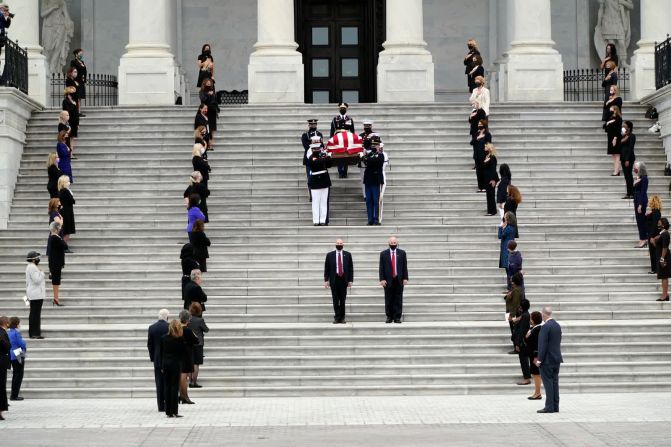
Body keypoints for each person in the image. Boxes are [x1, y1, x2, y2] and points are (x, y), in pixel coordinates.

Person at [535, 306, 563, 413]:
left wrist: (539, 359)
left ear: (543, 314)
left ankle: (549, 407)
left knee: (548, 384)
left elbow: (543, 345)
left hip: (547, 360)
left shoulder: (545, 327)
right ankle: (555, 406)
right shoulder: (557, 325)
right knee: (555, 383)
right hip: (556, 358)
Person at [379, 236, 409, 324]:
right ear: (389, 243)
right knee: (388, 299)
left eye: (394, 243)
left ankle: (397, 317)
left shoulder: (402, 253)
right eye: (391, 243)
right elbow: (381, 267)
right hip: (388, 280)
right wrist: (382, 279)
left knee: (398, 299)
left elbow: (404, 266)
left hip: (398, 279)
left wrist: (405, 278)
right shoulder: (383, 254)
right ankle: (389, 316)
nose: (393, 244)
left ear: (397, 243)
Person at [324, 239, 354, 324]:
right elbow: (327, 268)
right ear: (335, 244)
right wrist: (326, 280)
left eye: (341, 243)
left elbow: (350, 268)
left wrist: (350, 280)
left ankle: (342, 317)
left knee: (343, 299)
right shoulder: (330, 255)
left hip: (343, 279)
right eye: (338, 243)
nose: (339, 244)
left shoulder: (348, 255)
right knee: (335, 299)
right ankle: (337, 317)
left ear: (343, 244)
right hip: (334, 279)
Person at [160, 319, 185, 418]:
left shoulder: (163, 338)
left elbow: (162, 353)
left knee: (167, 386)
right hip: (175, 364)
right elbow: (181, 353)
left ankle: (168, 411)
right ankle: (174, 411)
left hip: (166, 364)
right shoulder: (180, 339)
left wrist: (162, 365)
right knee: (174, 387)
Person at [147, 308, 169, 413]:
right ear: (167, 317)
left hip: (157, 359)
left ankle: (160, 406)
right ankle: (168, 403)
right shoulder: (169, 327)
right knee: (168, 382)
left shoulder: (152, 328)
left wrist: (153, 357)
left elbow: (150, 345)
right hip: (168, 358)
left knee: (159, 383)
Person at [362, 135, 385, 225]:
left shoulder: (381, 155)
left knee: (376, 200)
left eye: (376, 145)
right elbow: (365, 160)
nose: (374, 147)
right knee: (369, 201)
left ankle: (376, 219)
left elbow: (373, 161)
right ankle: (370, 219)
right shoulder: (370, 154)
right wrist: (365, 157)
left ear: (379, 146)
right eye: (373, 145)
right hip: (368, 180)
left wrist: (366, 158)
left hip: (375, 180)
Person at [307, 143, 332, 226]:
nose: (316, 150)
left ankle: (322, 220)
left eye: (318, 149)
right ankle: (316, 220)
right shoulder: (312, 158)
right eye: (315, 149)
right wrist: (327, 156)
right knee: (316, 202)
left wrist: (329, 157)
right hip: (315, 183)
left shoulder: (322, 157)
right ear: (312, 150)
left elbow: (329, 164)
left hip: (324, 181)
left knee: (323, 202)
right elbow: (317, 163)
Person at [178, 310, 198, 405]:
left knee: (181, 376)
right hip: (186, 355)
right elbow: (196, 340)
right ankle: (184, 396)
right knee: (184, 376)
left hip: (178, 354)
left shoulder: (176, 329)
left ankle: (182, 395)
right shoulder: (187, 330)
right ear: (187, 319)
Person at [330, 102, 355, 178]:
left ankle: (345, 172)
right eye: (341, 108)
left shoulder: (349, 119)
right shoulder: (335, 119)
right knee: (339, 155)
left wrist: (353, 140)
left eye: (344, 108)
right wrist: (331, 140)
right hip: (338, 139)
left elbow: (352, 131)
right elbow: (332, 130)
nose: (342, 110)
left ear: (346, 109)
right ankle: (340, 171)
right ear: (339, 109)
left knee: (346, 156)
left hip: (347, 139)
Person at [187, 302, 209, 388]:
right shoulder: (200, 320)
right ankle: (194, 382)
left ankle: (190, 381)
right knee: (196, 363)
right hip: (199, 344)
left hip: (189, 343)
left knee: (189, 363)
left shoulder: (188, 319)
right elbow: (206, 330)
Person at [25, 251, 46, 339]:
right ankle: (35, 333)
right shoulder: (32, 267)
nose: (38, 259)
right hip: (36, 294)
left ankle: (33, 333)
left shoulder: (31, 267)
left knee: (34, 313)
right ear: (33, 259)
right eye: (37, 258)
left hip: (34, 293)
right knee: (35, 314)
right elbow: (37, 280)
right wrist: (42, 273)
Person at [301, 119, 324, 197]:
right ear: (309, 125)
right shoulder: (305, 135)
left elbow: (322, 146)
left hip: (318, 159)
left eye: (314, 124)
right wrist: (315, 143)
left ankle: (318, 193)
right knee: (310, 177)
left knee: (319, 176)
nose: (313, 125)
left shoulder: (319, 134)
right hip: (309, 159)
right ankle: (311, 194)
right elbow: (306, 146)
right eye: (311, 124)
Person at [504, 272, 525, 354]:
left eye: (512, 281)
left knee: (514, 331)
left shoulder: (516, 290)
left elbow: (515, 304)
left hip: (513, 313)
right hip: (511, 312)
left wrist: (511, 316)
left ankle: (517, 347)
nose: (511, 282)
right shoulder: (517, 289)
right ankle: (516, 346)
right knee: (514, 330)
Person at [512, 299, 531, 386]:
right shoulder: (525, 315)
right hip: (523, 341)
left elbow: (521, 331)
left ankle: (526, 378)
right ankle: (527, 377)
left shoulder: (525, 316)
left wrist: (517, 343)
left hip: (522, 342)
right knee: (524, 360)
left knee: (523, 360)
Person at [48, 221, 66, 307]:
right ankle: (55, 299)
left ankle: (56, 298)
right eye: (59, 228)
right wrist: (60, 237)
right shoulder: (55, 238)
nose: (60, 229)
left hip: (55, 263)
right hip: (55, 263)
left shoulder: (53, 237)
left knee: (56, 281)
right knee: (56, 281)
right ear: (56, 229)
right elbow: (65, 246)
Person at [525, 311, 543, 400]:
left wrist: (536, 356)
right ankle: (537, 392)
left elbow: (536, 344)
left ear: (533, 319)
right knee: (535, 373)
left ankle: (538, 393)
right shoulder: (534, 328)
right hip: (533, 354)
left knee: (536, 374)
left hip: (535, 355)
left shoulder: (537, 329)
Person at [8, 317, 26, 401]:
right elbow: (21, 343)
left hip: (11, 353)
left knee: (16, 374)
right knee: (19, 374)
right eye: (19, 323)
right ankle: (14, 395)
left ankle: (14, 394)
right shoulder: (16, 332)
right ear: (17, 324)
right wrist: (24, 343)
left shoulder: (9, 332)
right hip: (18, 352)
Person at [653, 217, 671, 301]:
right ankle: (665, 294)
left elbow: (665, 247)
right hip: (661, 257)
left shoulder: (665, 234)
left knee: (664, 277)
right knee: (663, 276)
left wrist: (662, 259)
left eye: (659, 223)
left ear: (663, 225)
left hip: (664, 258)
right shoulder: (662, 234)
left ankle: (664, 295)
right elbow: (658, 245)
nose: (658, 224)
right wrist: (654, 241)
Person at [472, 120, 491, 192]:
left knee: (484, 172)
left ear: (484, 125)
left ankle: (485, 187)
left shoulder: (487, 134)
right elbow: (472, 142)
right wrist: (478, 138)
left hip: (484, 156)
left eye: (480, 124)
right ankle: (480, 187)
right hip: (477, 156)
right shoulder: (477, 134)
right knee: (478, 172)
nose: (479, 125)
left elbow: (489, 145)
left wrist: (488, 155)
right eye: (478, 124)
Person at [358, 120, 375, 199]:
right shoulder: (361, 135)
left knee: (372, 177)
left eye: (368, 126)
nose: (367, 127)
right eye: (365, 126)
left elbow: (378, 146)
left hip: (372, 159)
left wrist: (368, 151)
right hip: (363, 159)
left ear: (371, 126)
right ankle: (365, 195)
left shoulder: (375, 135)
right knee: (363, 178)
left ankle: (371, 193)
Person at [633, 161, 648, 248]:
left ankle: (643, 240)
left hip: (641, 200)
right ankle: (642, 239)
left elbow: (643, 192)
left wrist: (640, 205)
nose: (635, 168)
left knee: (641, 221)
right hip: (636, 199)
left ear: (640, 168)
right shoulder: (639, 177)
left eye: (636, 167)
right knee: (639, 221)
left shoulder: (645, 178)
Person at [199, 78, 218, 147]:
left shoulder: (212, 91)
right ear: (204, 83)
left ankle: (211, 143)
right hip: (205, 111)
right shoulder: (202, 91)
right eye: (207, 82)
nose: (209, 83)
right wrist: (208, 94)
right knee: (206, 127)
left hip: (212, 111)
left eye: (210, 82)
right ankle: (206, 142)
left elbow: (215, 101)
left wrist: (215, 96)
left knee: (212, 127)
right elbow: (203, 100)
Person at [646, 196, 662, 275]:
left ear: (653, 202)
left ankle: (655, 269)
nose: (649, 203)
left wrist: (652, 236)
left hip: (653, 235)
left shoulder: (656, 212)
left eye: (650, 201)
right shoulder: (654, 212)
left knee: (653, 252)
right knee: (653, 252)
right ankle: (655, 269)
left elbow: (654, 225)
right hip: (652, 234)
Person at [604, 105, 622, 176]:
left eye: (611, 110)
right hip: (610, 137)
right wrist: (608, 123)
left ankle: (617, 171)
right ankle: (616, 170)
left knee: (617, 155)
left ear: (615, 110)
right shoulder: (610, 118)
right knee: (613, 155)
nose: (610, 111)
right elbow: (606, 129)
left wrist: (615, 138)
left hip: (616, 138)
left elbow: (618, 129)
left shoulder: (618, 119)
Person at [620, 120, 636, 199]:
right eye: (623, 126)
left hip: (628, 158)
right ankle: (628, 193)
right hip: (622, 158)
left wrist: (627, 160)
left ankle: (631, 193)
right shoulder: (623, 136)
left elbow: (630, 148)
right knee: (626, 176)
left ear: (629, 128)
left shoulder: (632, 136)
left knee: (629, 175)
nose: (623, 127)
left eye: (625, 126)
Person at [57, 175, 75, 243]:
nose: (69, 183)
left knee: (65, 230)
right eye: (68, 181)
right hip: (67, 213)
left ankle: (64, 246)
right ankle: (64, 246)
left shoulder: (61, 191)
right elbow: (72, 201)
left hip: (64, 212)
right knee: (67, 230)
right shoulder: (65, 191)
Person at [482, 143, 499, 216]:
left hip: (491, 179)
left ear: (489, 149)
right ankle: (491, 210)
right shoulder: (487, 157)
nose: (484, 148)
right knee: (488, 195)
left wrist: (493, 180)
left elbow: (493, 169)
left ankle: (492, 211)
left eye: (485, 147)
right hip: (487, 179)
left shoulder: (492, 157)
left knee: (491, 195)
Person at [70, 48, 87, 115]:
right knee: (76, 97)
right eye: (80, 53)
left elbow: (84, 72)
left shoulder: (82, 62)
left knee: (79, 97)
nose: (81, 55)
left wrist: (84, 81)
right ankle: (76, 111)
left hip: (81, 81)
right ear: (76, 54)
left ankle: (78, 111)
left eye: (82, 53)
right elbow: (73, 71)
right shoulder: (73, 62)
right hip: (76, 81)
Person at [0, 316, 10, 421]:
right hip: (1, 362)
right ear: (6, 323)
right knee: (1, 386)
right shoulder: (3, 333)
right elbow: (8, 346)